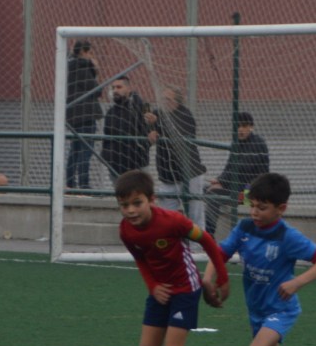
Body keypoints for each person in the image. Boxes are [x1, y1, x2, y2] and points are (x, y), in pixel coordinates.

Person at [203, 172, 316, 346]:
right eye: (252, 206)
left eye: (262, 207)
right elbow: (219, 254)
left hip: (281, 308)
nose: (254, 212)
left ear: (281, 209)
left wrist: (297, 282)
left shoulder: (288, 237)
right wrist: (208, 279)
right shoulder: (245, 228)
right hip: (257, 309)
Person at [115, 169, 230, 346]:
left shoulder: (172, 221)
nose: (131, 210)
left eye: (137, 203)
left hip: (186, 287)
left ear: (152, 199)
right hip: (161, 290)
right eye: (124, 205)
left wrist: (222, 279)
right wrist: (153, 286)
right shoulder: (126, 231)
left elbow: (207, 240)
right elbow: (141, 260)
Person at [144, 86, 207, 229]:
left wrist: (156, 123)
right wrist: (150, 132)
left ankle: (198, 243)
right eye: (163, 99)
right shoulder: (157, 114)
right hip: (168, 176)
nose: (164, 102)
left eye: (168, 99)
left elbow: (179, 133)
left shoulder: (185, 115)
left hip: (190, 175)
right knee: (165, 218)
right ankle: (169, 242)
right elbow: (149, 132)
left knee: (195, 217)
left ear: (177, 101)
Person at [205, 112, 270, 237]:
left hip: (250, 195)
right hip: (236, 189)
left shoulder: (258, 143)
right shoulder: (236, 143)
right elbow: (229, 167)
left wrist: (221, 182)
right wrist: (219, 180)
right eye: (237, 126)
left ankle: (208, 235)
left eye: (244, 126)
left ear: (251, 127)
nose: (240, 130)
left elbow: (243, 167)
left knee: (213, 194)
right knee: (203, 190)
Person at [65, 40, 103, 190]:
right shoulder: (82, 68)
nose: (92, 56)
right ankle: (84, 184)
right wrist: (96, 71)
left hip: (74, 115)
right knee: (84, 151)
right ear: (83, 52)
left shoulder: (72, 66)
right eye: (90, 53)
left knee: (75, 149)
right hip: (85, 114)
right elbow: (97, 90)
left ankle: (70, 182)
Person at [101, 75, 150, 182]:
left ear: (129, 88)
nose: (115, 90)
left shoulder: (143, 106)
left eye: (119, 87)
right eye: (113, 88)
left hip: (137, 166)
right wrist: (107, 157)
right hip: (116, 168)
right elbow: (106, 138)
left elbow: (150, 128)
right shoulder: (111, 112)